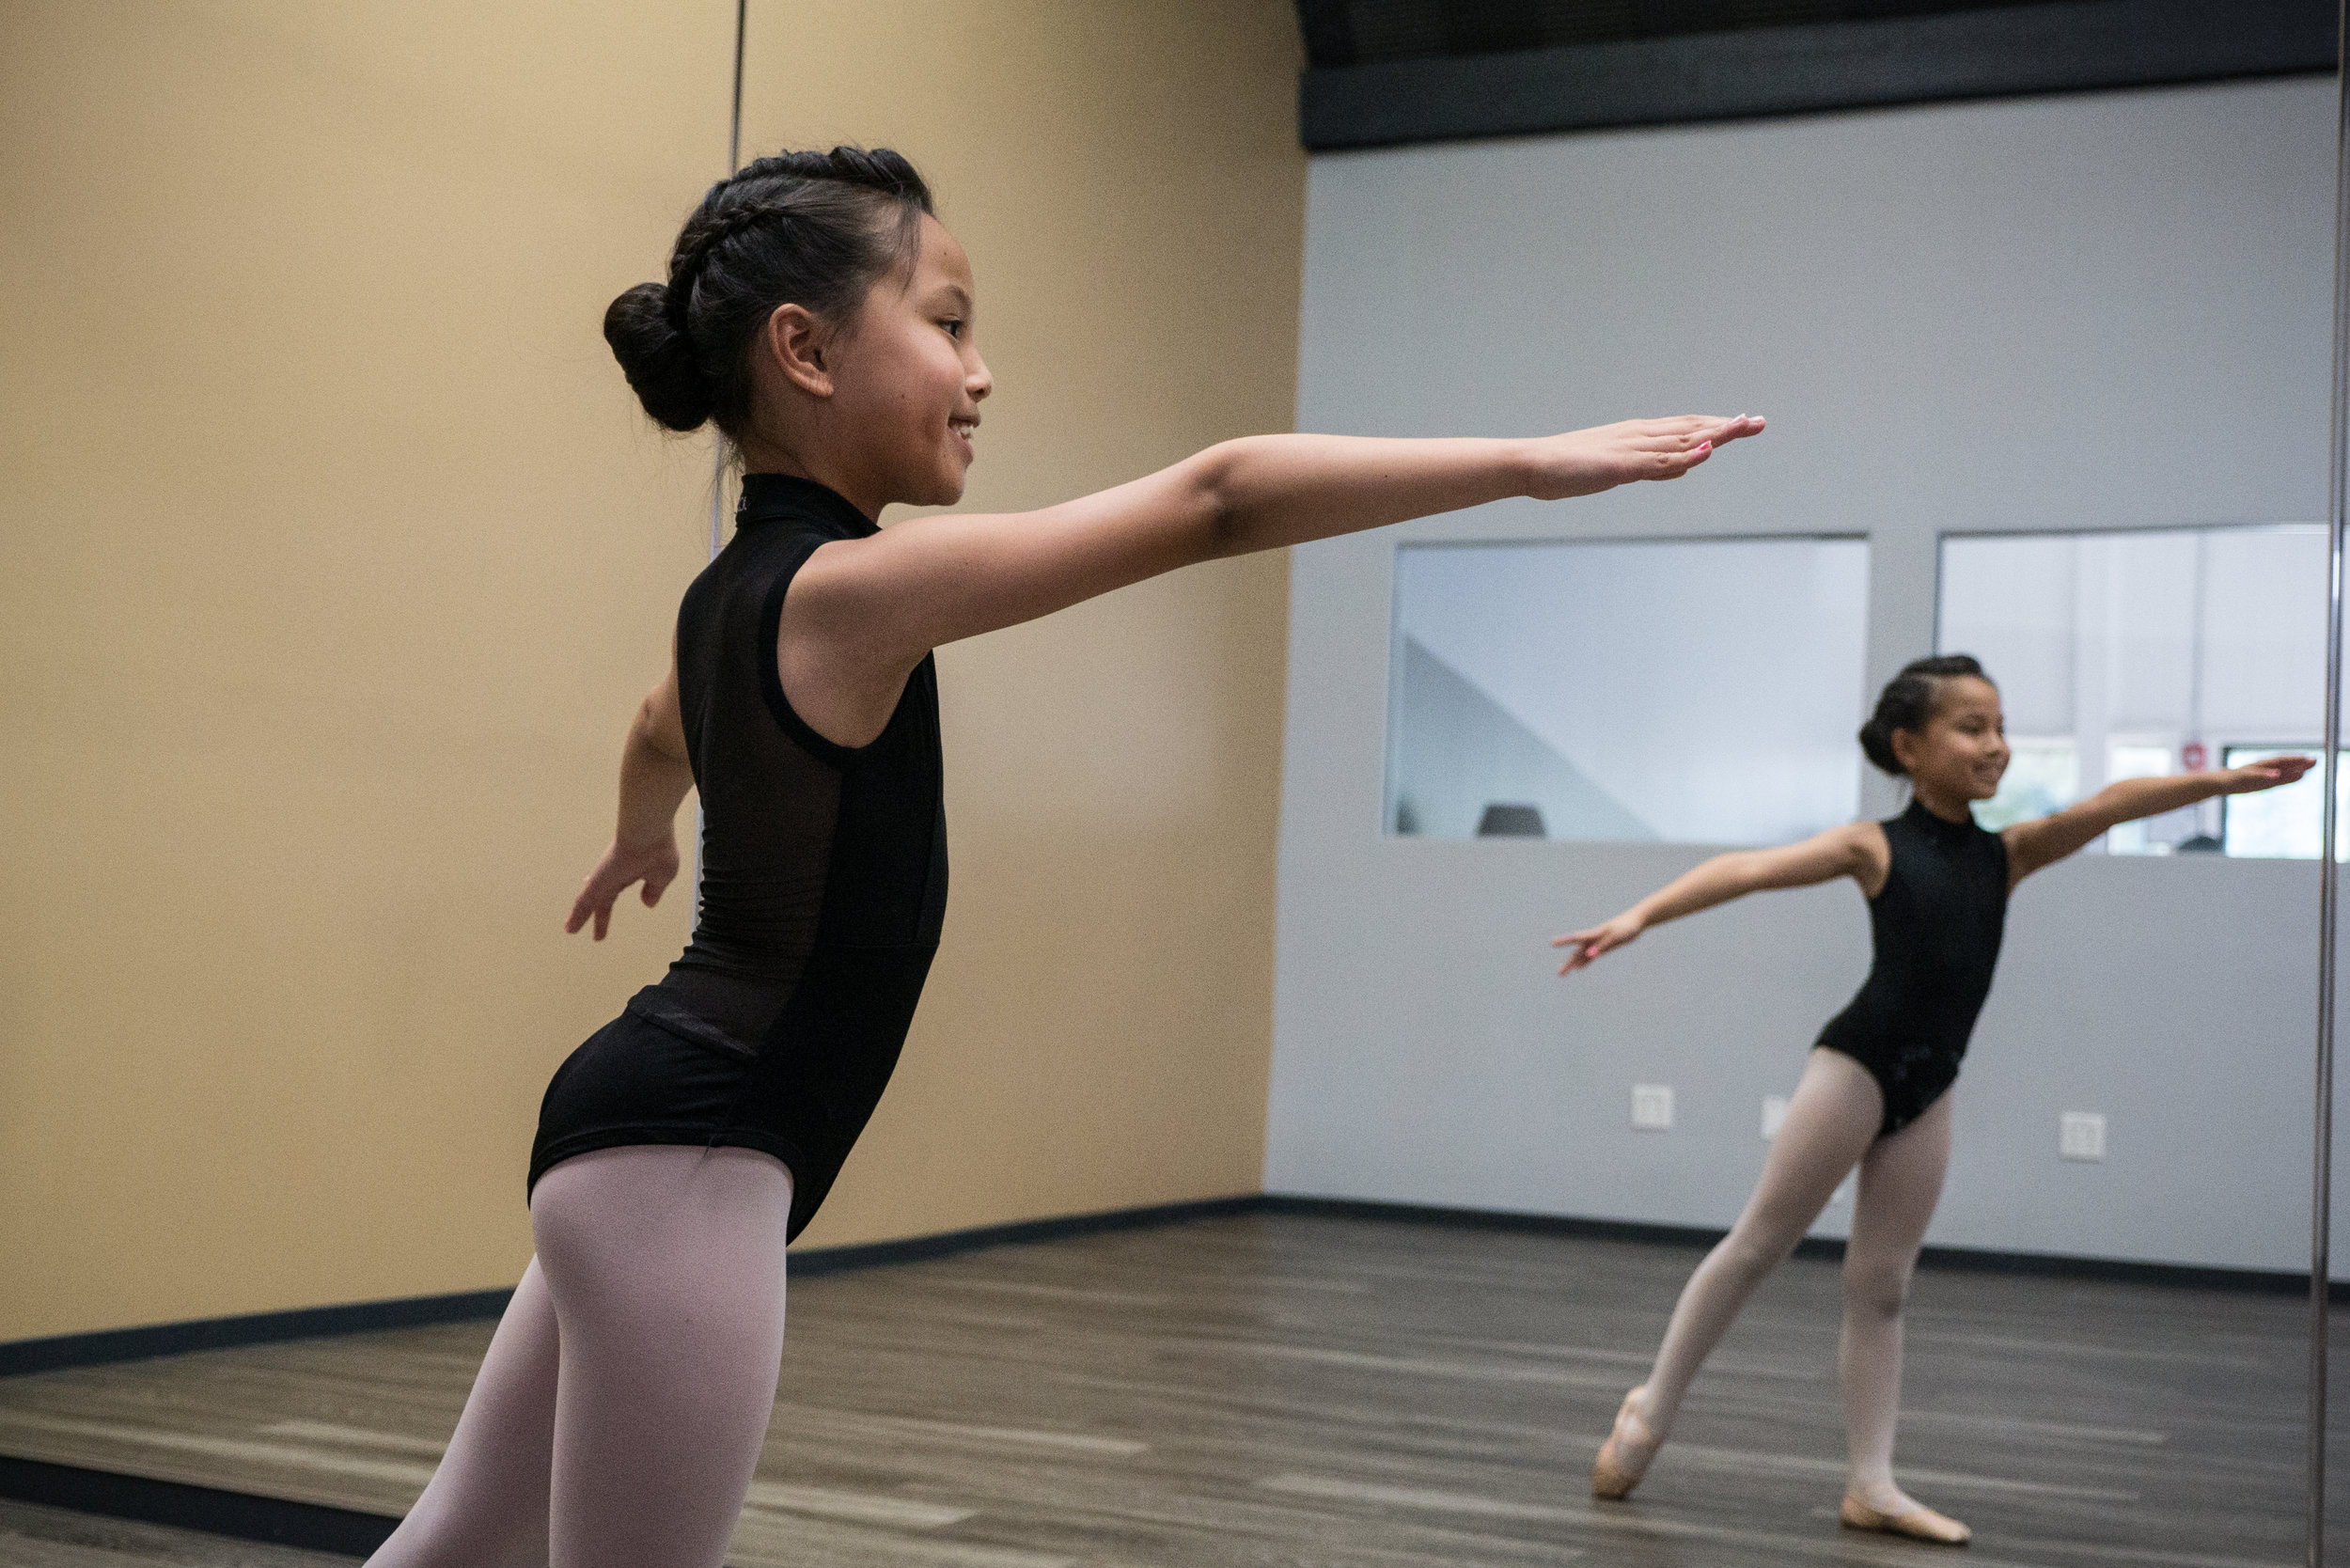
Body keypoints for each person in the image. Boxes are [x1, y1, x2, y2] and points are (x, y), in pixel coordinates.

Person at [365, 143, 1764, 1568]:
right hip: (692, 1153)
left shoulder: (735, 600)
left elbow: (660, 724)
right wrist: (1532, 466)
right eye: (950, 322)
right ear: (806, 350)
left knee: (459, 1540)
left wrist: (640, 829)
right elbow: (1220, 499)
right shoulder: (847, 591)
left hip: (643, 1136)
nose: (981, 374)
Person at [1553, 653, 2311, 1544]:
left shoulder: (2009, 854)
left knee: (1882, 1287)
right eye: (1971, 727)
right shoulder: (1873, 847)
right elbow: (1749, 868)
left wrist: (2223, 779)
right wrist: (1640, 915)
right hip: (1857, 1067)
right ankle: (1650, 1409)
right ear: (1909, 747)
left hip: (1932, 1084)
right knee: (1759, 1243)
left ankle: (1871, 1483)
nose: (1995, 745)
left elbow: (2110, 805)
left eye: (1998, 727)